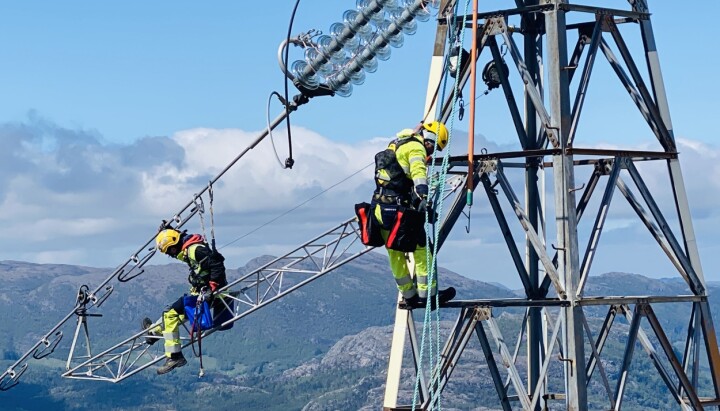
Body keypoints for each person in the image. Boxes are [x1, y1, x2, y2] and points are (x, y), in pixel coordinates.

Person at [368, 120, 456, 309]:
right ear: (429, 140)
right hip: (398, 210)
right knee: (422, 248)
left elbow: (400, 168)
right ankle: (428, 295)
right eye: (432, 148)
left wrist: (418, 128)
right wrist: (424, 196)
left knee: (395, 252)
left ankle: (409, 296)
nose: (430, 154)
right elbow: (418, 172)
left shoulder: (397, 143)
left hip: (379, 209)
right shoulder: (417, 149)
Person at [142, 227, 228, 374]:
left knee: (170, 314)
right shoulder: (188, 247)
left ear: (176, 244)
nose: (171, 255)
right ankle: (155, 332)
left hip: (210, 294)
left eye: (171, 251)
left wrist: (212, 286)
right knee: (173, 317)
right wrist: (168, 231)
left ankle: (174, 356)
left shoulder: (195, 249)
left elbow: (217, 262)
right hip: (205, 293)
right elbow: (181, 239)